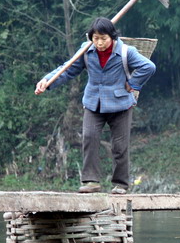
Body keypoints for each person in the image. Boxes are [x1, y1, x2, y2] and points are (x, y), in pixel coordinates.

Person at [34, 17, 155, 194]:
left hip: (120, 103)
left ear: (112, 37)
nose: (99, 43)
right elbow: (67, 69)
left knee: (120, 146)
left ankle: (120, 184)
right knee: (89, 138)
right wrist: (47, 81)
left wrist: (133, 84)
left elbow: (148, 67)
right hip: (93, 102)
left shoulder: (126, 51)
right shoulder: (86, 50)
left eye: (103, 38)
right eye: (95, 38)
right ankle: (91, 181)